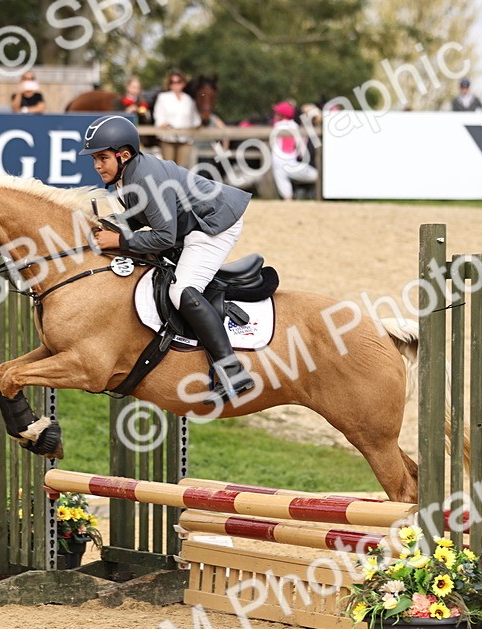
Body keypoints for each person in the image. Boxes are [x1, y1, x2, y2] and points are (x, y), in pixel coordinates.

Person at [80, 115, 255, 405]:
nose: (97, 166)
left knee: (181, 290)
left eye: (102, 158)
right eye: (94, 159)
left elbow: (163, 236)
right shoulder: (129, 174)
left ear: (123, 155)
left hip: (214, 224)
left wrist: (119, 240)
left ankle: (232, 371)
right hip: (192, 222)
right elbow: (139, 217)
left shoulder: (144, 178)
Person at [269, 101, 317, 201]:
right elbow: (302, 150)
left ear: (281, 115)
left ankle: (288, 199)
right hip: (293, 164)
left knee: (280, 172)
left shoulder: (276, 126)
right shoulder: (296, 127)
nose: (275, 115)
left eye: (277, 113)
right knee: (317, 175)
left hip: (279, 166)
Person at [152, 69, 200, 165]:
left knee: (181, 170)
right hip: (167, 138)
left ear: (183, 83)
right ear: (169, 84)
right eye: (173, 82)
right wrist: (162, 124)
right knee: (168, 167)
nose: (176, 85)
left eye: (179, 82)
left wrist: (192, 132)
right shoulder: (163, 97)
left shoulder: (189, 99)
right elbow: (158, 115)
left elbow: (196, 120)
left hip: (185, 139)